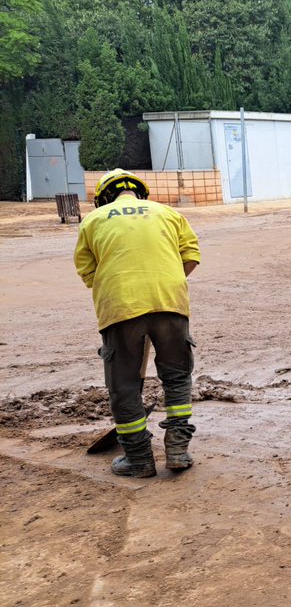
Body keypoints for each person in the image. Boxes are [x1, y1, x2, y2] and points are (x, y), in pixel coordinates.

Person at [74, 169, 200, 478]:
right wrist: (162, 284)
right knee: (177, 377)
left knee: (125, 384)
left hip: (121, 306)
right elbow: (192, 256)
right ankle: (178, 450)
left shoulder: (93, 221)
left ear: (103, 197)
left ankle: (140, 458)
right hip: (170, 301)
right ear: (142, 194)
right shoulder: (168, 213)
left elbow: (88, 272)